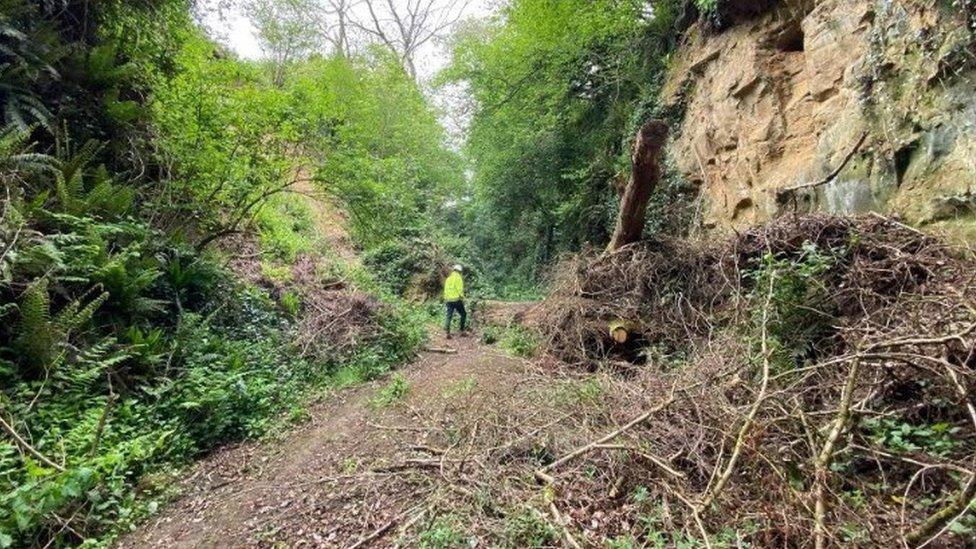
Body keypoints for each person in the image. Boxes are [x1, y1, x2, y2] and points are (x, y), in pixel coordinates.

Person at [443, 264, 467, 339]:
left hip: (448, 300)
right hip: (456, 299)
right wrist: (462, 298)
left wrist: (446, 298)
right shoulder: (458, 278)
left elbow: (445, 290)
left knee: (449, 315)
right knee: (463, 314)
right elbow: (459, 289)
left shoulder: (448, 278)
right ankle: (462, 331)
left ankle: (447, 332)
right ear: (460, 271)